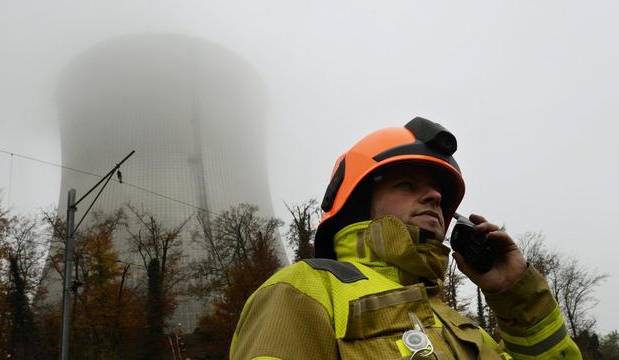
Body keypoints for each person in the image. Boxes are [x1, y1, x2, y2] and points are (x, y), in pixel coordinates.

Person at [230, 117, 581, 359]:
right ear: (358, 201)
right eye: (407, 184)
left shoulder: (455, 322)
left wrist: (515, 292)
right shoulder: (305, 288)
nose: (434, 198)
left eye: (437, 192)